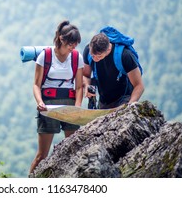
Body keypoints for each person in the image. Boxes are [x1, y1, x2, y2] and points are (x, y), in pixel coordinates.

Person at [29, 20, 84, 175]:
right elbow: (36, 85)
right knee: (42, 155)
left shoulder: (76, 57)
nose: (73, 47)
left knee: (74, 150)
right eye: (71, 43)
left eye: (76, 44)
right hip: (48, 106)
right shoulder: (45, 56)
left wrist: (78, 106)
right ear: (61, 39)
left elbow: (79, 86)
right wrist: (39, 102)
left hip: (70, 105)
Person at [83, 32, 144, 109]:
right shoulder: (88, 50)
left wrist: (129, 107)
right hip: (104, 100)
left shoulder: (125, 55)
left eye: (99, 56)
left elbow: (139, 85)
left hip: (124, 99)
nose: (94, 59)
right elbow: (85, 76)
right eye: (92, 55)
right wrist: (86, 86)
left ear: (108, 49)